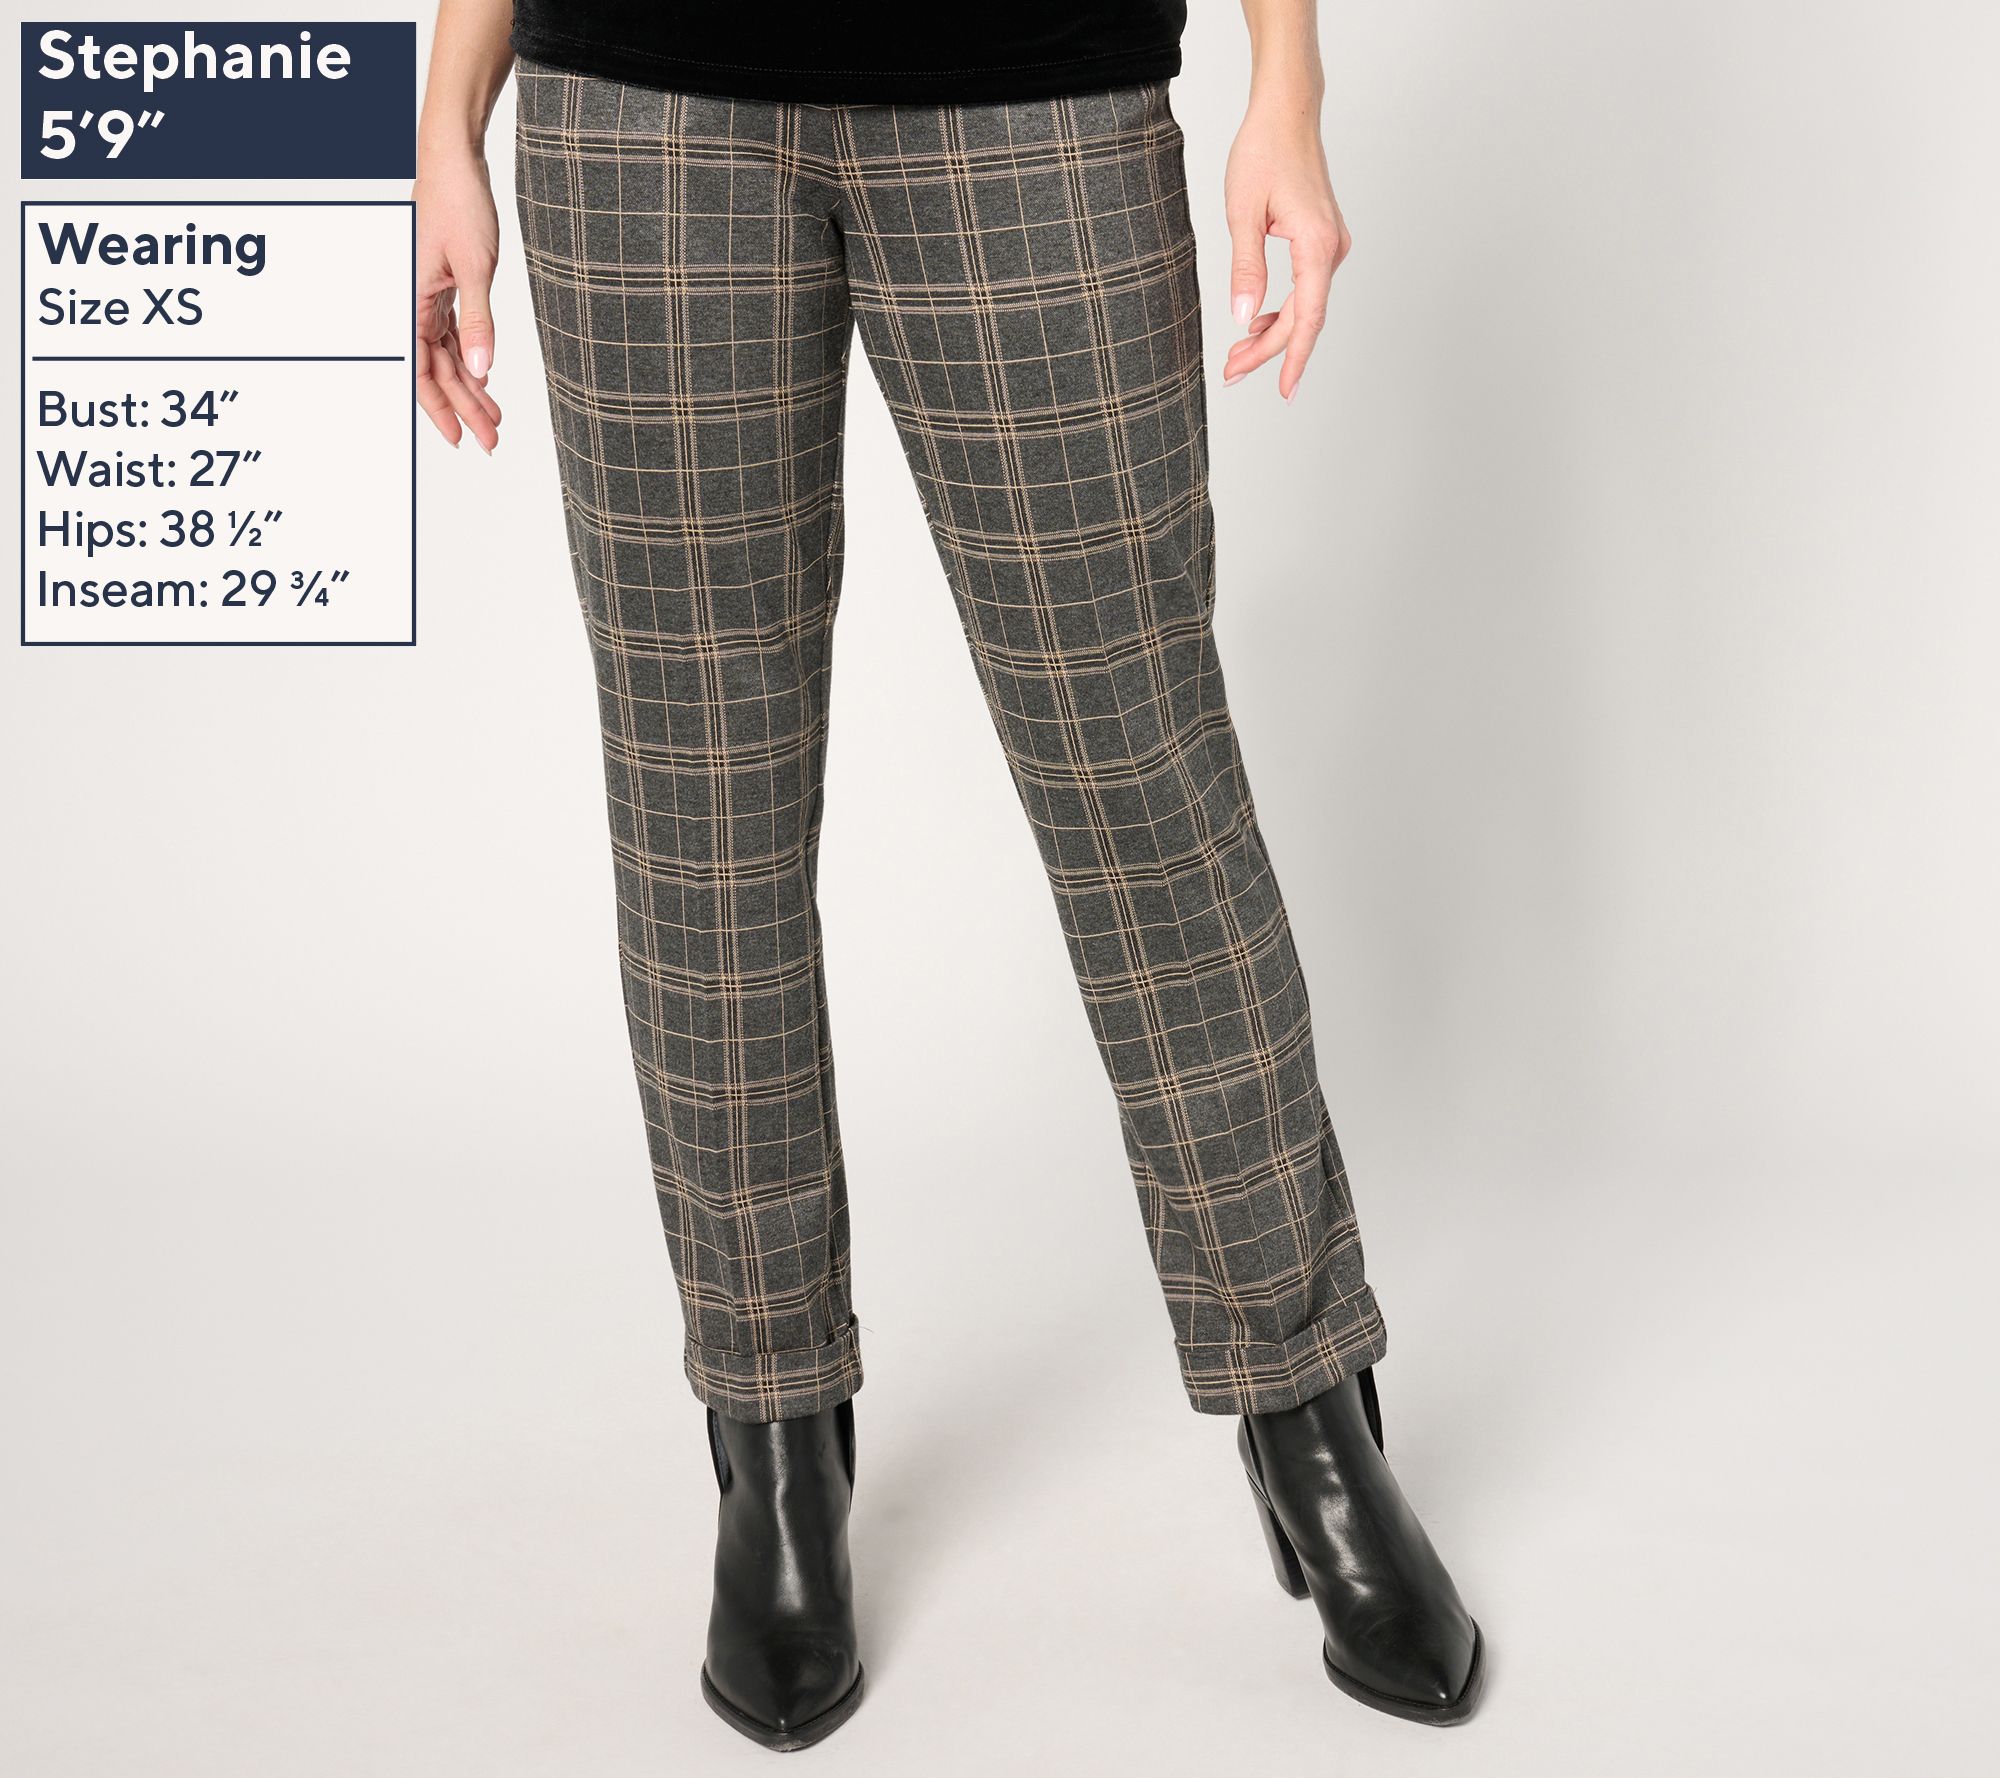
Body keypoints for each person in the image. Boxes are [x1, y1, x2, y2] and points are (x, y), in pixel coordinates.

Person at [415, 0, 1483, 1746]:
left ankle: (1306, 1403)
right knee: (701, 815)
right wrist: (449, 113)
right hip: (641, 112)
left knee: (1143, 776)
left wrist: (1286, 85)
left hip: (1035, 87)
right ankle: (773, 1435)